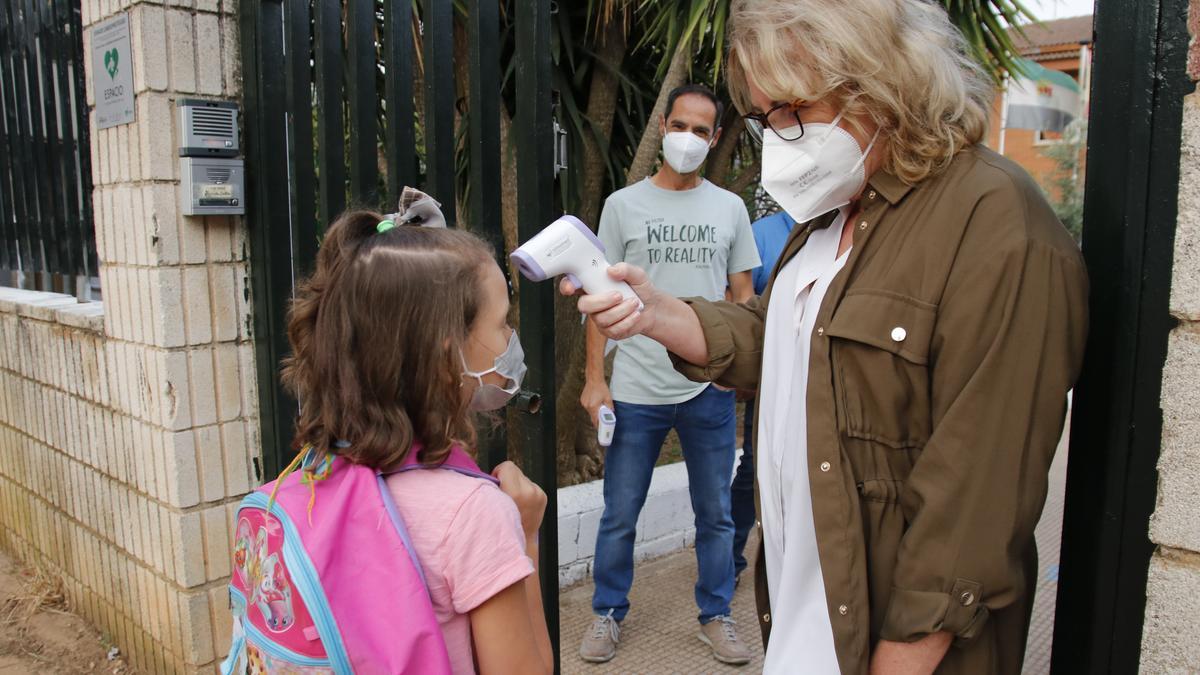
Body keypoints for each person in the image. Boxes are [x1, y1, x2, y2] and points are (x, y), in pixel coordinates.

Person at [563, 1, 1089, 673]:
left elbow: (974, 509)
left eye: (793, 109)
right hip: (802, 624)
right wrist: (656, 311)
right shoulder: (832, 213)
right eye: (762, 117)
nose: (775, 136)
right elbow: (788, 349)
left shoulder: (997, 225)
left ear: (881, 79)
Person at [281, 209, 553, 674]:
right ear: (448, 354)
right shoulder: (474, 514)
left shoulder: (308, 480)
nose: (511, 338)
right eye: (502, 323)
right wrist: (526, 535)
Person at [577, 84, 762, 665]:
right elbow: (598, 296)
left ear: (713, 140)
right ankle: (608, 611)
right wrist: (594, 379)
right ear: (663, 126)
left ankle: (717, 613)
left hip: (707, 390)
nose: (688, 138)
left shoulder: (730, 208)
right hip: (635, 390)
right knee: (620, 512)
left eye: (701, 131)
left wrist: (738, 370)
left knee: (716, 513)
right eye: (680, 125)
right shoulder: (623, 205)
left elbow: (743, 296)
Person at [730, 208, 796, 584]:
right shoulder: (764, 233)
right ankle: (734, 557)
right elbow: (739, 298)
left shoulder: (851, 223)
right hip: (773, 375)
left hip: (830, 375)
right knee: (755, 466)